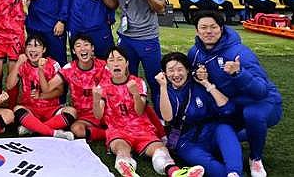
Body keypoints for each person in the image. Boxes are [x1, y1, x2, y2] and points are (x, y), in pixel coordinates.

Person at [188, 11, 281, 177]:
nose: (208, 31)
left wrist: (239, 73)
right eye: (203, 27)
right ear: (197, 31)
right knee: (219, 129)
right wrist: (197, 75)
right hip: (233, 105)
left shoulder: (240, 53)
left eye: (213, 27)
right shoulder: (194, 52)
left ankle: (255, 158)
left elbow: (261, 91)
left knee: (252, 115)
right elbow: (194, 75)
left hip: (263, 103)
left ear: (221, 28)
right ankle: (246, 136)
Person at [93, 47, 204, 177]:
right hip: (118, 130)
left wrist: (135, 94)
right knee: (121, 149)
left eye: (120, 59)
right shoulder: (103, 86)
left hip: (142, 129)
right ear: (107, 65)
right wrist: (95, 100)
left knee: (160, 150)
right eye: (111, 60)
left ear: (127, 63)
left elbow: (139, 111)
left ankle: (176, 172)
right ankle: (127, 169)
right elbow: (98, 115)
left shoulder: (138, 82)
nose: (116, 63)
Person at [156, 53, 243, 177]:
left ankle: (234, 172)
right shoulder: (164, 92)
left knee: (224, 128)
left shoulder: (197, 85)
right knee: (216, 170)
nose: (176, 75)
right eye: (170, 70)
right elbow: (167, 118)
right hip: (185, 140)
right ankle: (230, 174)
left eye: (180, 69)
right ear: (164, 73)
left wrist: (207, 84)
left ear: (187, 70)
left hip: (210, 132)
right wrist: (163, 87)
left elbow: (228, 109)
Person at [101, 0, 165, 108]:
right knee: (128, 79)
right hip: (126, 38)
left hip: (147, 38)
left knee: (154, 79)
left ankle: (160, 117)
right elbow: (114, 4)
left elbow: (161, 8)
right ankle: (130, 114)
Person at [8, 35, 76, 140]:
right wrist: (18, 63)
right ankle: (54, 132)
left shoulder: (53, 64)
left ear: (43, 49)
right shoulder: (22, 64)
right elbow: (9, 85)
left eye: (37, 46)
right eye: (29, 45)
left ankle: (33, 128)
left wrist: (42, 96)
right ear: (25, 49)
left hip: (51, 109)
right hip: (30, 110)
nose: (33, 49)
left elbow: (60, 91)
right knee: (17, 109)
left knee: (71, 112)